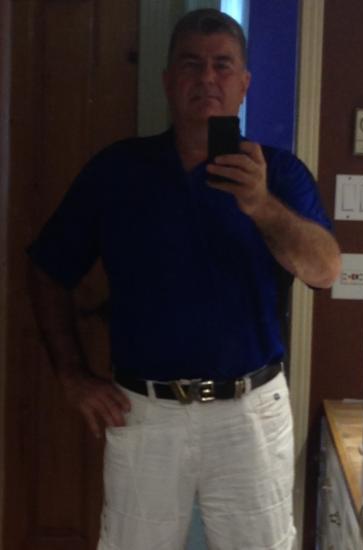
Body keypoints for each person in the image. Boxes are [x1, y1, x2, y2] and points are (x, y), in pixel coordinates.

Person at [27, 8, 341, 550]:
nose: (207, 78)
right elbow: (47, 270)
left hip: (251, 411)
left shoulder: (279, 174)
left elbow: (326, 269)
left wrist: (260, 204)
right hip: (145, 412)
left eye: (223, 65)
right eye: (191, 64)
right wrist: (72, 376)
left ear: (244, 83)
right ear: (169, 80)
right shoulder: (117, 171)